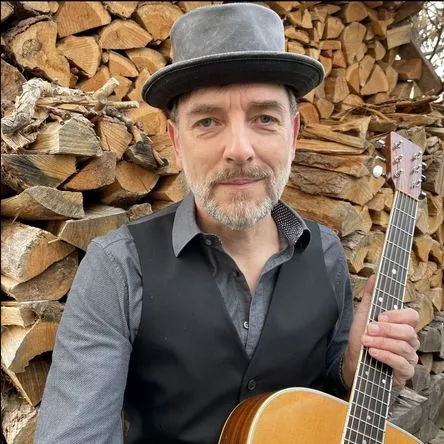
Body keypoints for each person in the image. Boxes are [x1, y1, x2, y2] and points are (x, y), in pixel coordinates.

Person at [35, 3, 419, 443]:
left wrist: (355, 368)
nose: (239, 149)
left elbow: (328, 392)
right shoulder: (118, 267)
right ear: (177, 142)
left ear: (293, 135)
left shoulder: (326, 251)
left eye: (264, 118)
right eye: (208, 121)